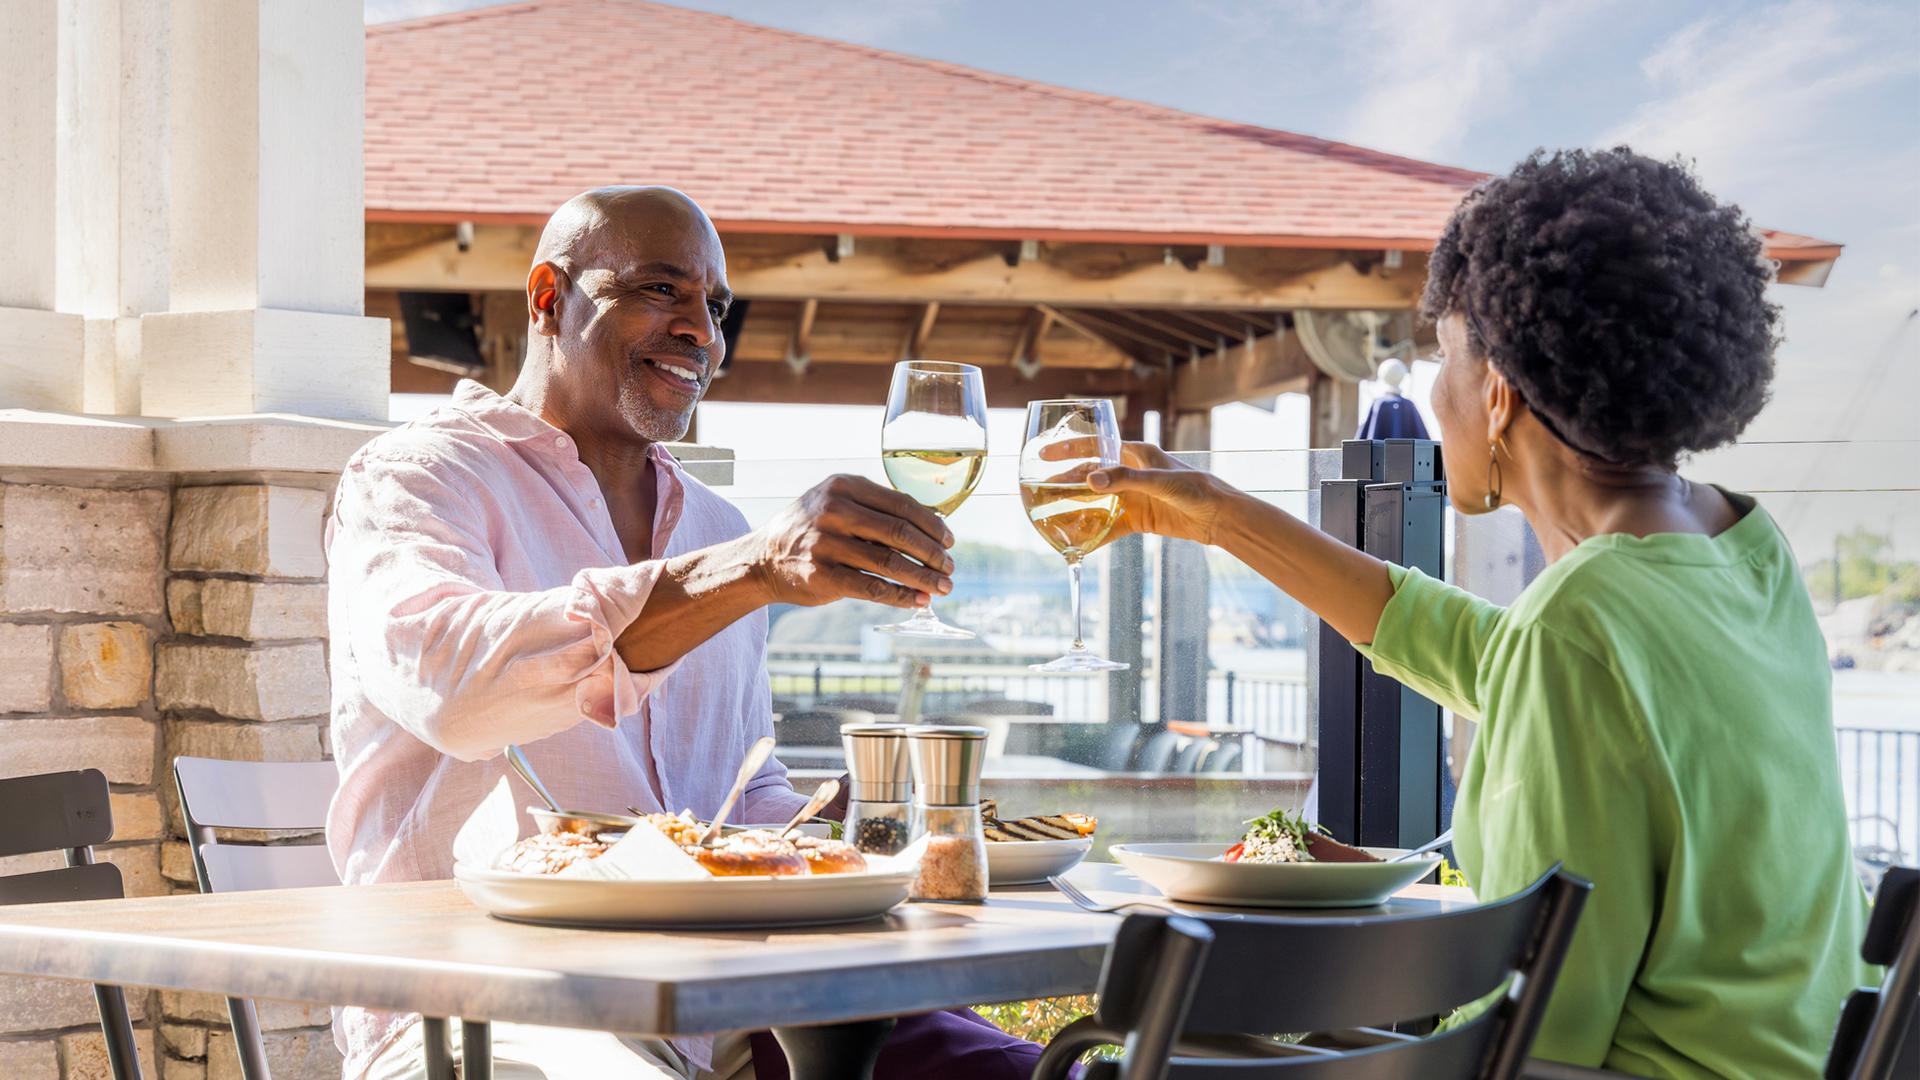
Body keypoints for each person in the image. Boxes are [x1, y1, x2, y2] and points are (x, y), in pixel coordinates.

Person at [1066, 149, 1872, 1076]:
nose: (1435, 392)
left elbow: (1539, 1028)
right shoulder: (1743, 552)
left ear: (1498, 394)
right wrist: (1223, 516)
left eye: (1444, 357)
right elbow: (1497, 655)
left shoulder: (1576, 626)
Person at [326, 187, 1051, 1080]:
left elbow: (743, 794)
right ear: (549, 296)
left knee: (1038, 1072)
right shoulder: (416, 476)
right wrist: (748, 571)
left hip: (734, 999)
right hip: (484, 1007)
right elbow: (453, 689)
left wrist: (897, 849)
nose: (701, 332)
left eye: (714, 306)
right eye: (660, 290)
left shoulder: (715, 524)